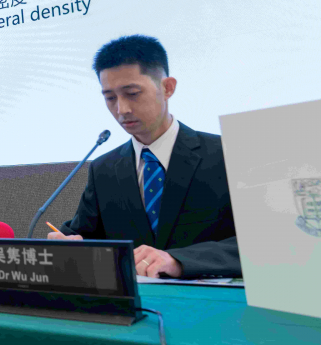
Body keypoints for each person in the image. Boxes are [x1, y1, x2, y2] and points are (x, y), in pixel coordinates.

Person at [48, 35, 240, 279]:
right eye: (110, 98)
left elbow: (263, 241)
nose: (121, 109)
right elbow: (84, 235)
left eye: (132, 93)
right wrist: (67, 244)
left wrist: (180, 261)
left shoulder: (226, 153)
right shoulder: (103, 169)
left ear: (167, 88)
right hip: (136, 301)